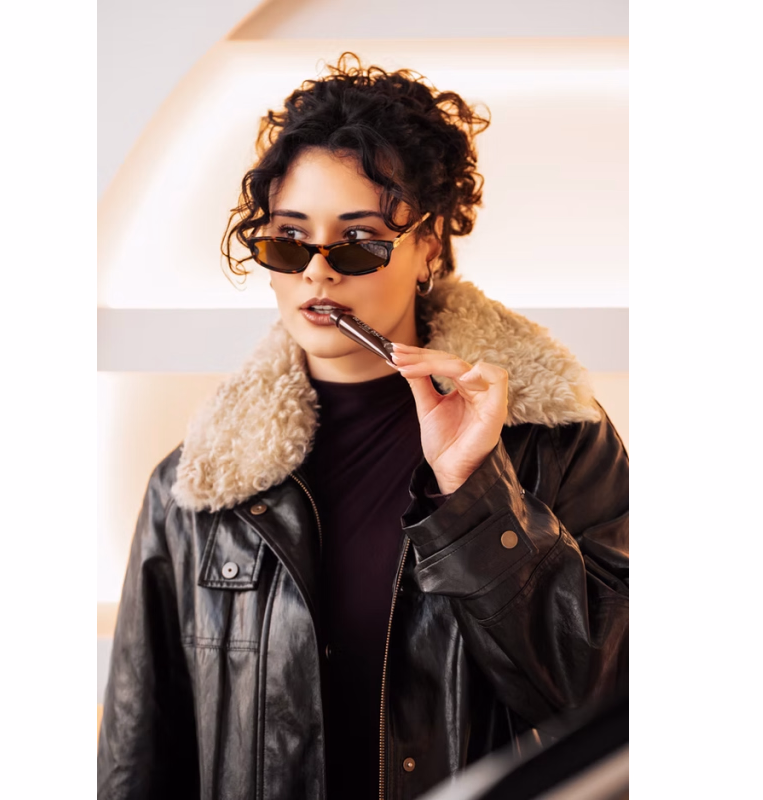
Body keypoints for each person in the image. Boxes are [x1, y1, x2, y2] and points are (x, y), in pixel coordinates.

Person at [97, 53, 629, 800]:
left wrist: (474, 496)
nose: (318, 272)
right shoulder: (195, 492)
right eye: (288, 240)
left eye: (357, 242)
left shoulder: (556, 441)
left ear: (428, 248)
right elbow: (139, 762)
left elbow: (615, 703)